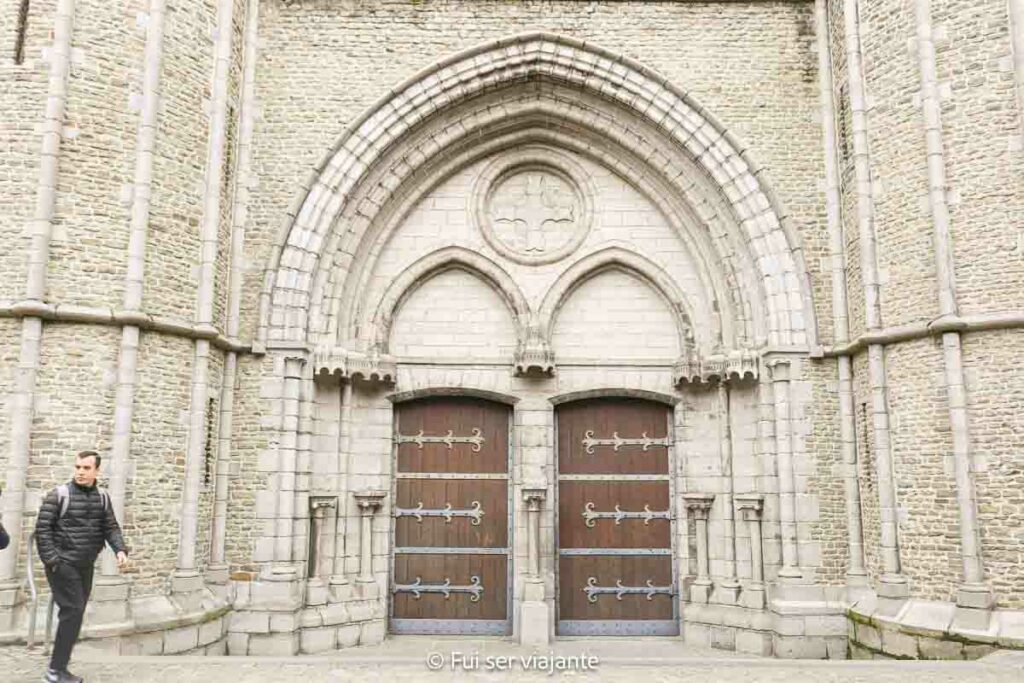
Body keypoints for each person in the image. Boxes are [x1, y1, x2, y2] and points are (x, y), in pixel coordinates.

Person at [35, 451, 128, 683]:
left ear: (97, 471)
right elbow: (43, 530)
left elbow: (111, 527)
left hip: (85, 565)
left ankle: (59, 668)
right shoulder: (59, 495)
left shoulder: (103, 498)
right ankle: (55, 671)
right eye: (78, 467)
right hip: (63, 565)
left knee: (74, 614)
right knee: (73, 611)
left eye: (86, 468)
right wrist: (53, 561)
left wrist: (120, 550)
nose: (80, 472)